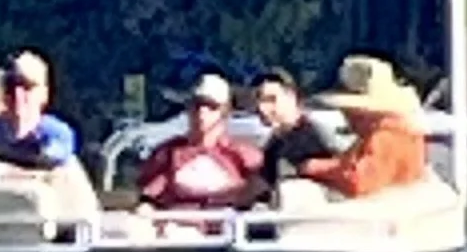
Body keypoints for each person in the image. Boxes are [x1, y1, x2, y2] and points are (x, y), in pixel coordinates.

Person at [304, 54, 429, 196]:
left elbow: (359, 181)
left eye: (350, 111)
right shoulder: (390, 132)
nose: (346, 116)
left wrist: (315, 168)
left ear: (364, 111)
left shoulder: (387, 136)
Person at [137, 72, 261, 210]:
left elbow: (260, 196)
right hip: (178, 221)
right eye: (196, 105)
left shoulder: (244, 156)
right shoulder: (168, 154)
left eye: (211, 106)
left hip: (229, 222)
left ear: (226, 111)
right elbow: (149, 197)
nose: (202, 112)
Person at [0, 47, 78, 172]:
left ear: (44, 94)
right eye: (11, 86)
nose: (18, 96)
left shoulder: (56, 136)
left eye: (28, 87)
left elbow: (57, 155)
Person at [250, 65, 340, 199]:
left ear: (292, 97)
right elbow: (263, 187)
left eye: (271, 99)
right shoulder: (276, 143)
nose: (262, 108)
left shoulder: (316, 138)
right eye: (258, 100)